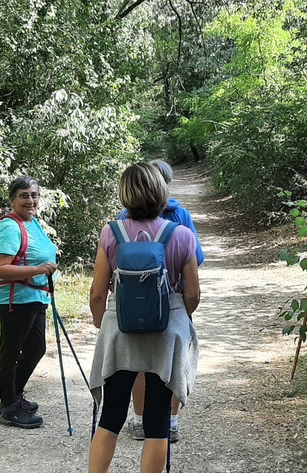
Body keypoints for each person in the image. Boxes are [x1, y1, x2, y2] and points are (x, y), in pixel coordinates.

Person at [88, 163, 200, 473]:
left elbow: (98, 292)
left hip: (120, 331)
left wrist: (103, 323)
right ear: (161, 192)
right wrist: (179, 318)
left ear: (125, 195)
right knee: (158, 420)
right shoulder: (181, 234)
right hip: (166, 334)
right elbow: (192, 294)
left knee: (110, 416)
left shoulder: (111, 233)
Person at [118, 159, 204, 443]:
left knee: (141, 364)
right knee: (173, 363)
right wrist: (181, 311)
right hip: (173, 302)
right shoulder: (182, 218)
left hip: (133, 307)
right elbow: (197, 264)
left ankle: (140, 420)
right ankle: (172, 422)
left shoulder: (120, 222)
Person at [0, 176, 58, 429]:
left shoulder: (33, 223)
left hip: (36, 297)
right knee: (11, 353)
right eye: (24, 196)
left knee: (35, 349)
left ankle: (13, 396)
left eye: (34, 195)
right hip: (15, 300)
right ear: (12, 199)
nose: (30, 200)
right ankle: (9, 406)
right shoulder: (10, 226)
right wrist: (38, 269)